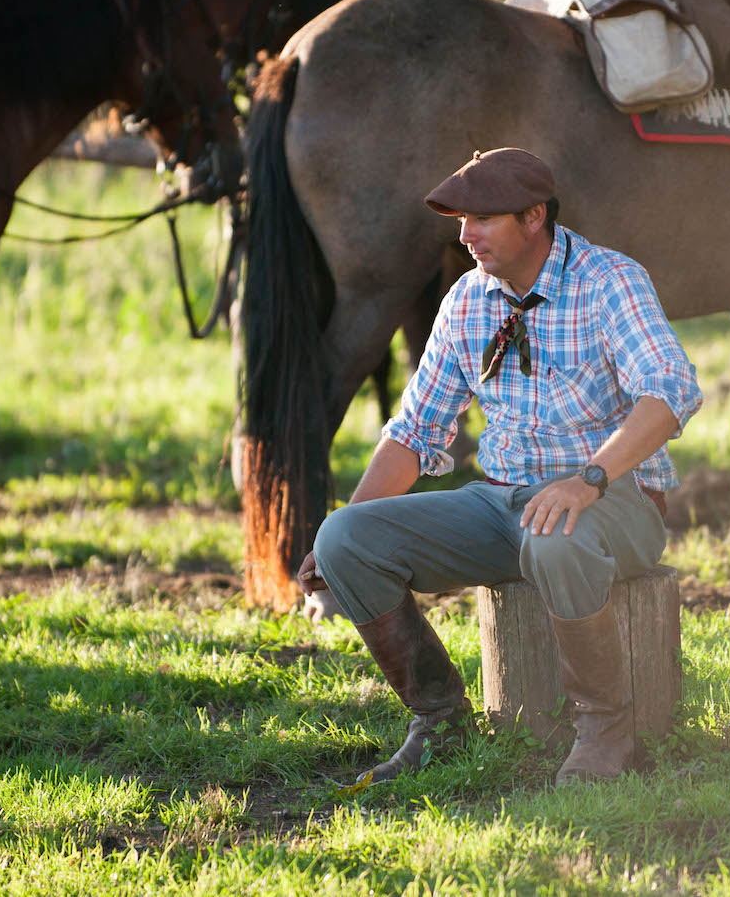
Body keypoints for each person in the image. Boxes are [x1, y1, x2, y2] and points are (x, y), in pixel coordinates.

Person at [298, 147, 702, 786]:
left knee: (554, 537)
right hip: (503, 502)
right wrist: (347, 524)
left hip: (613, 500)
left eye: (482, 219)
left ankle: (604, 727)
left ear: (534, 216)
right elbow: (416, 431)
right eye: (460, 220)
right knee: (346, 538)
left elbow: (671, 392)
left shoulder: (608, 281)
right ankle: (440, 721)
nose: (465, 235)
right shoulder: (467, 300)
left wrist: (588, 478)